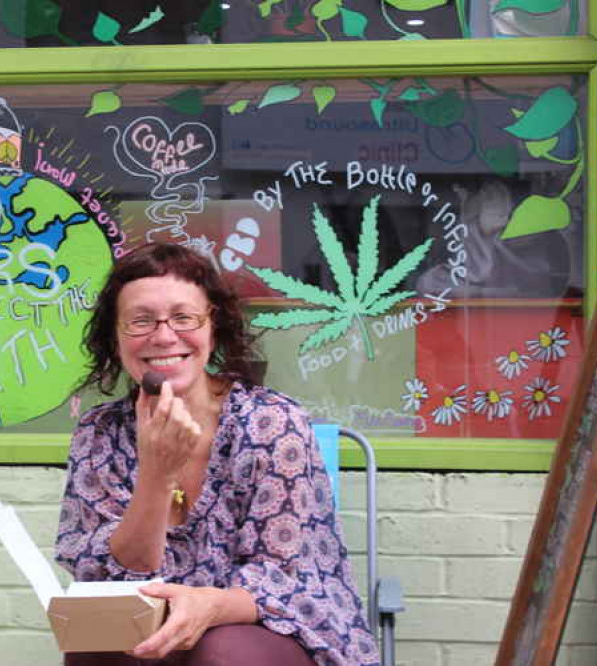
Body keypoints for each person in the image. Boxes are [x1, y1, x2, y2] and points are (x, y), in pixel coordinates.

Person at [55, 243, 380, 666]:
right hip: (154, 631)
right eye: (140, 321)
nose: (164, 335)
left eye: (184, 317)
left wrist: (205, 606)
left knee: (220, 653)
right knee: (94, 650)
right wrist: (156, 474)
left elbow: (282, 578)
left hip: (272, 627)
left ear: (214, 327)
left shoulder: (271, 422)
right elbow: (102, 579)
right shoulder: (100, 434)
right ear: (115, 339)